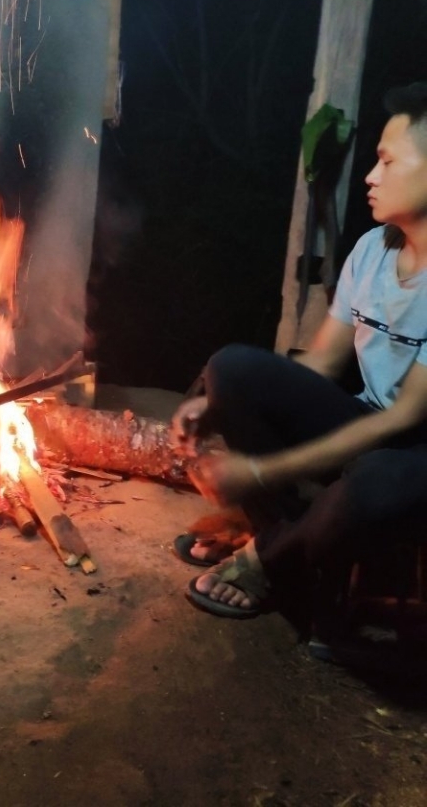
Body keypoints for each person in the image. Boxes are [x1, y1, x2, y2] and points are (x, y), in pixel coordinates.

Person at [170, 82, 427, 641]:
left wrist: (262, 472)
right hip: (370, 428)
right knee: (232, 369)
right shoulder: (373, 249)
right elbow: (323, 362)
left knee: (377, 481)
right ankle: (292, 540)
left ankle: (270, 557)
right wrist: (216, 404)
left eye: (387, 162)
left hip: (414, 456)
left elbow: (404, 419)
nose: (371, 176)